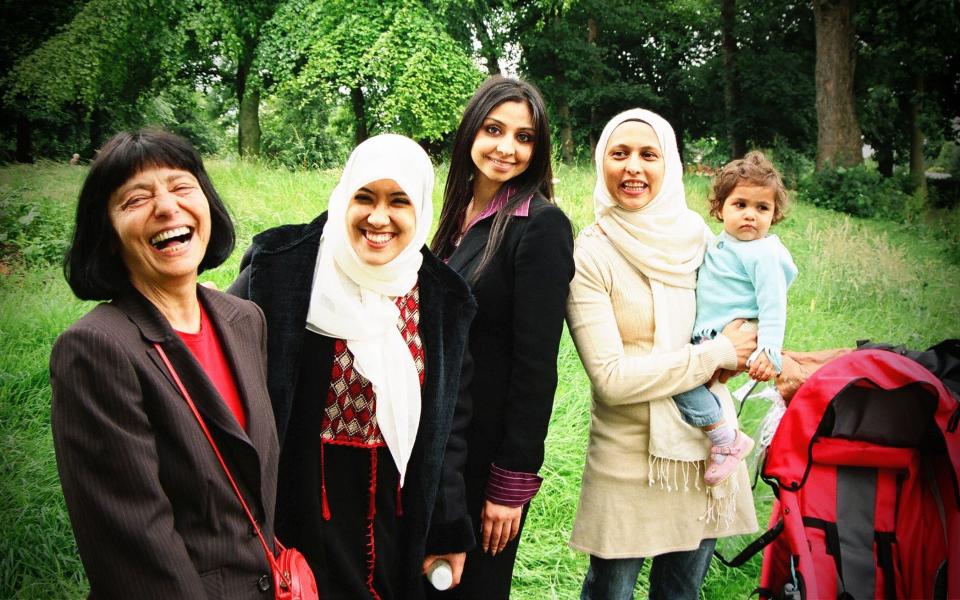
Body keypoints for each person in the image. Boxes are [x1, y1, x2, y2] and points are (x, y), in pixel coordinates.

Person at [229, 133, 477, 599]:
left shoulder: (443, 299)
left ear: (420, 208)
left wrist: (447, 528)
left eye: (398, 201)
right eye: (364, 197)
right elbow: (224, 370)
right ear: (344, 196)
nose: (378, 217)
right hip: (301, 500)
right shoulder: (282, 269)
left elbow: (450, 428)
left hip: (395, 508)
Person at [50, 129, 280, 598]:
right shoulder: (96, 350)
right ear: (109, 235)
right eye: (136, 198)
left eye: (180, 187)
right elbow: (134, 545)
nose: (167, 207)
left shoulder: (244, 320)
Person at [566, 108, 759, 600]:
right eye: (619, 153)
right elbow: (611, 378)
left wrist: (738, 352)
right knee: (612, 590)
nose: (633, 167)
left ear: (668, 163)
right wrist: (713, 354)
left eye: (648, 154)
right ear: (600, 162)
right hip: (627, 452)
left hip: (704, 447)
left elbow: (738, 332)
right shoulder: (590, 253)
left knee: (681, 591)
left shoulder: (698, 240)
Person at [429, 75, 575, 598]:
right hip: (442, 445)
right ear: (472, 130)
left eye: (524, 137)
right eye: (495, 129)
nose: (506, 148)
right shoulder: (455, 213)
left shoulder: (542, 225)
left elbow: (537, 367)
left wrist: (510, 484)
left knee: (472, 586)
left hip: (487, 457)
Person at [671, 150, 797, 486]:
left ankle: (727, 441)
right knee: (689, 383)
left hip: (729, 339)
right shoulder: (717, 243)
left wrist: (768, 352)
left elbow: (773, 305)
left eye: (762, 208)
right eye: (740, 205)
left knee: (679, 382)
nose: (750, 216)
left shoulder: (764, 253)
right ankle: (715, 429)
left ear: (775, 215)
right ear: (720, 208)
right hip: (709, 337)